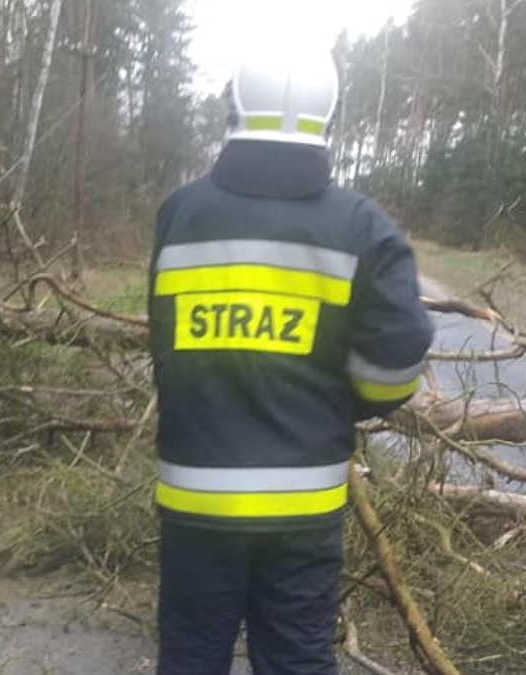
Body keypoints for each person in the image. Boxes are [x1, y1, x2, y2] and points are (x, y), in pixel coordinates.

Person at [146, 44, 435, 675]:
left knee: (191, 655)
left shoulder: (181, 214)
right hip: (304, 505)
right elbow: (398, 355)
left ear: (234, 107)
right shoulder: (362, 226)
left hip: (195, 498)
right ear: (327, 119)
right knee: (297, 660)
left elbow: (165, 344)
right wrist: (348, 403)